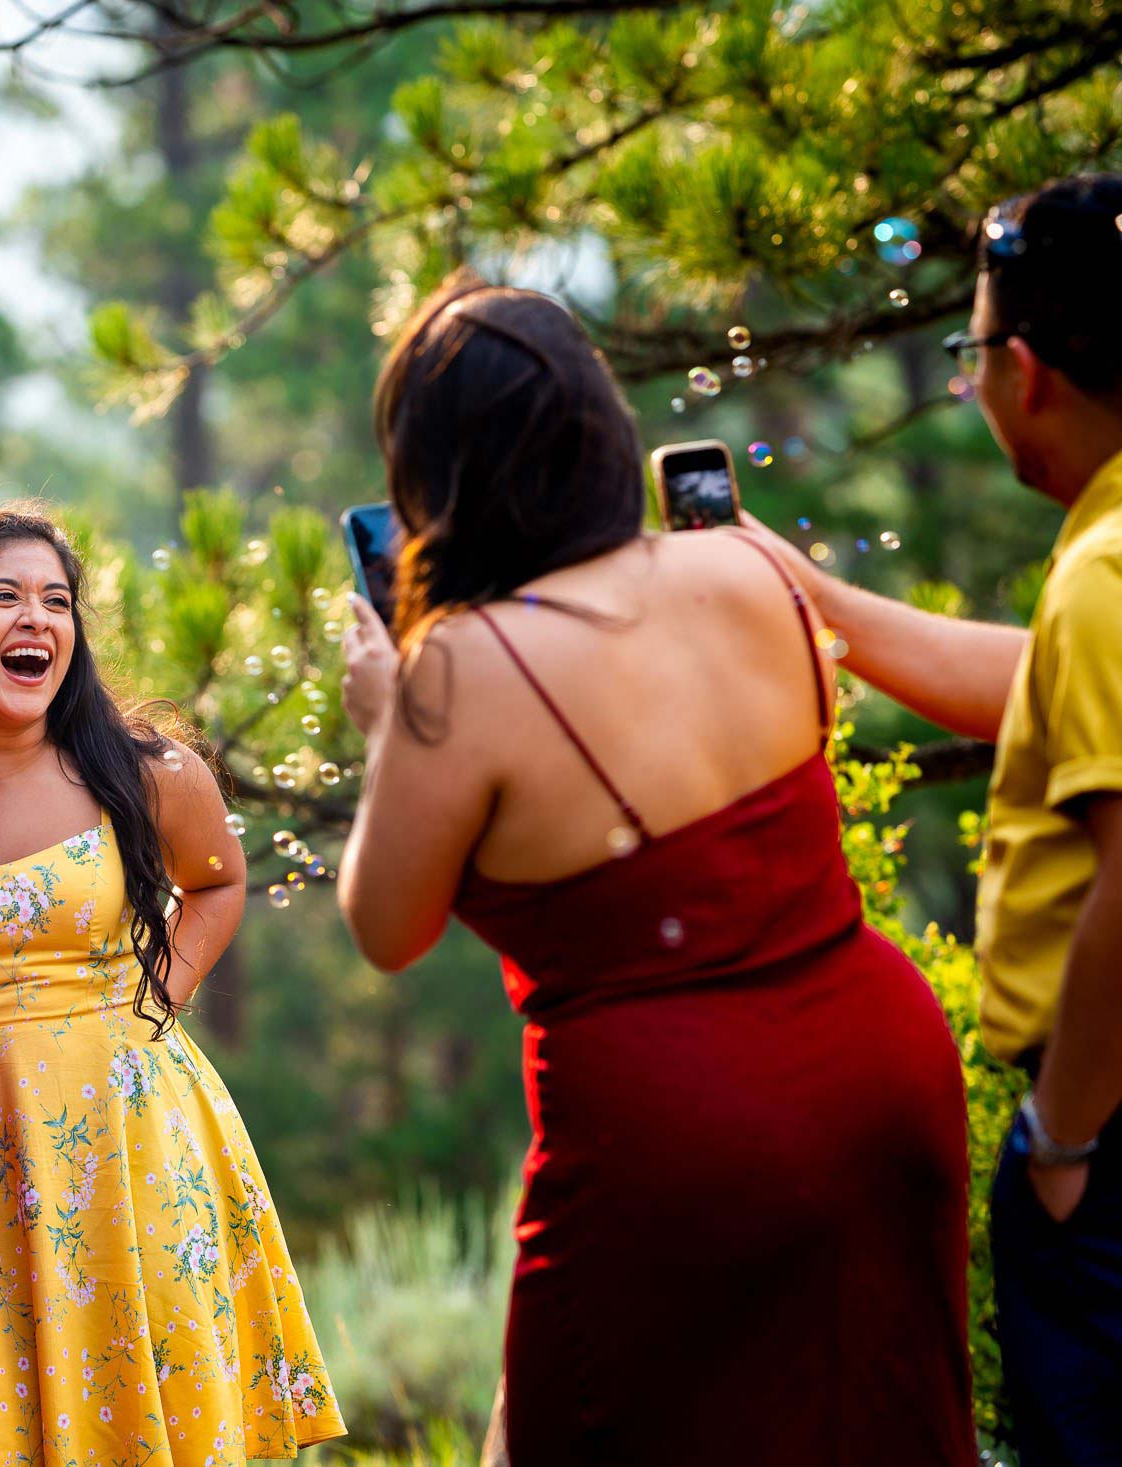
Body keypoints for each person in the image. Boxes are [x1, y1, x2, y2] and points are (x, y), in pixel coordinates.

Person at [335, 274, 974, 1463]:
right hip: (880, 1072)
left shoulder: (461, 671)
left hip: (676, 1147)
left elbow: (387, 925)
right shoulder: (746, 566)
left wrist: (391, 729)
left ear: (435, 476)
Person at [743, 174, 1122, 1465]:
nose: (968, 384)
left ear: (1024, 367)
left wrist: (1065, 1133)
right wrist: (818, 598)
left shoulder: (1108, 570)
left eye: (969, 353)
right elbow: (1047, 679)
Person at [0, 505, 346, 1467]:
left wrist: (150, 1004)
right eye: (3, 596)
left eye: (57, 600)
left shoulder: (143, 772)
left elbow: (217, 881)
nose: (34, 620)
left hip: (136, 1133)